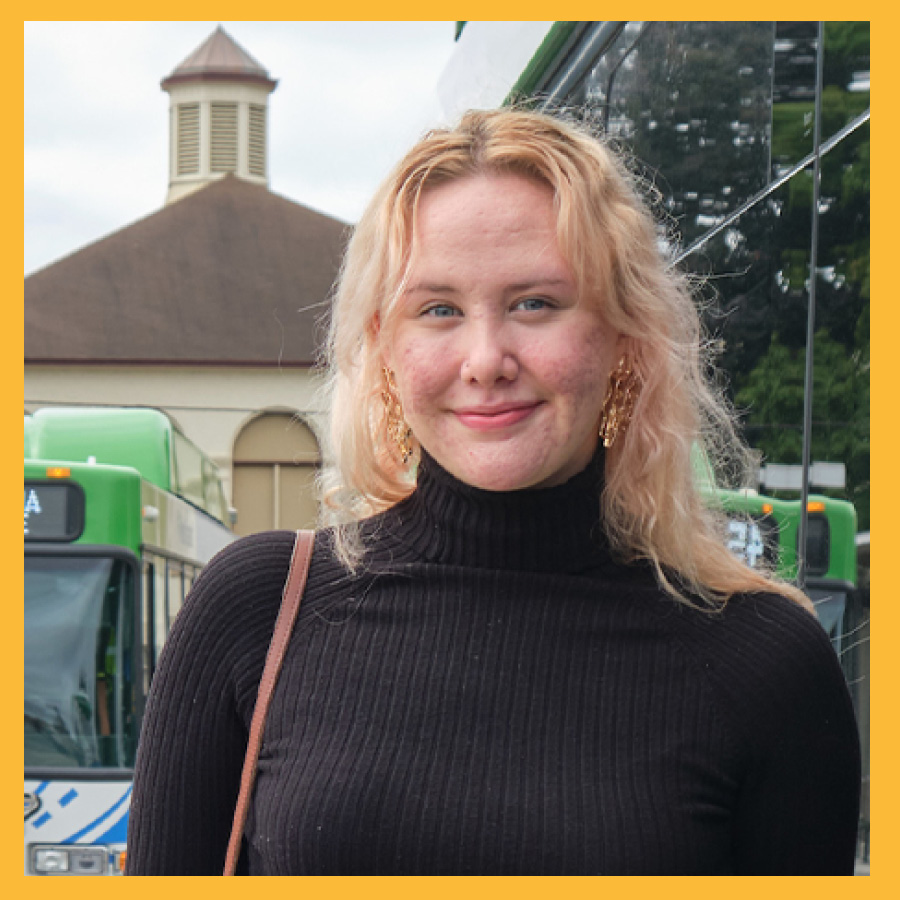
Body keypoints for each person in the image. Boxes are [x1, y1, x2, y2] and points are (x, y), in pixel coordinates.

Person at [125, 108, 860, 875]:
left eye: (534, 303)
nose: (485, 359)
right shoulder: (257, 611)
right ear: (385, 348)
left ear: (625, 339)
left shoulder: (766, 662)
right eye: (438, 310)